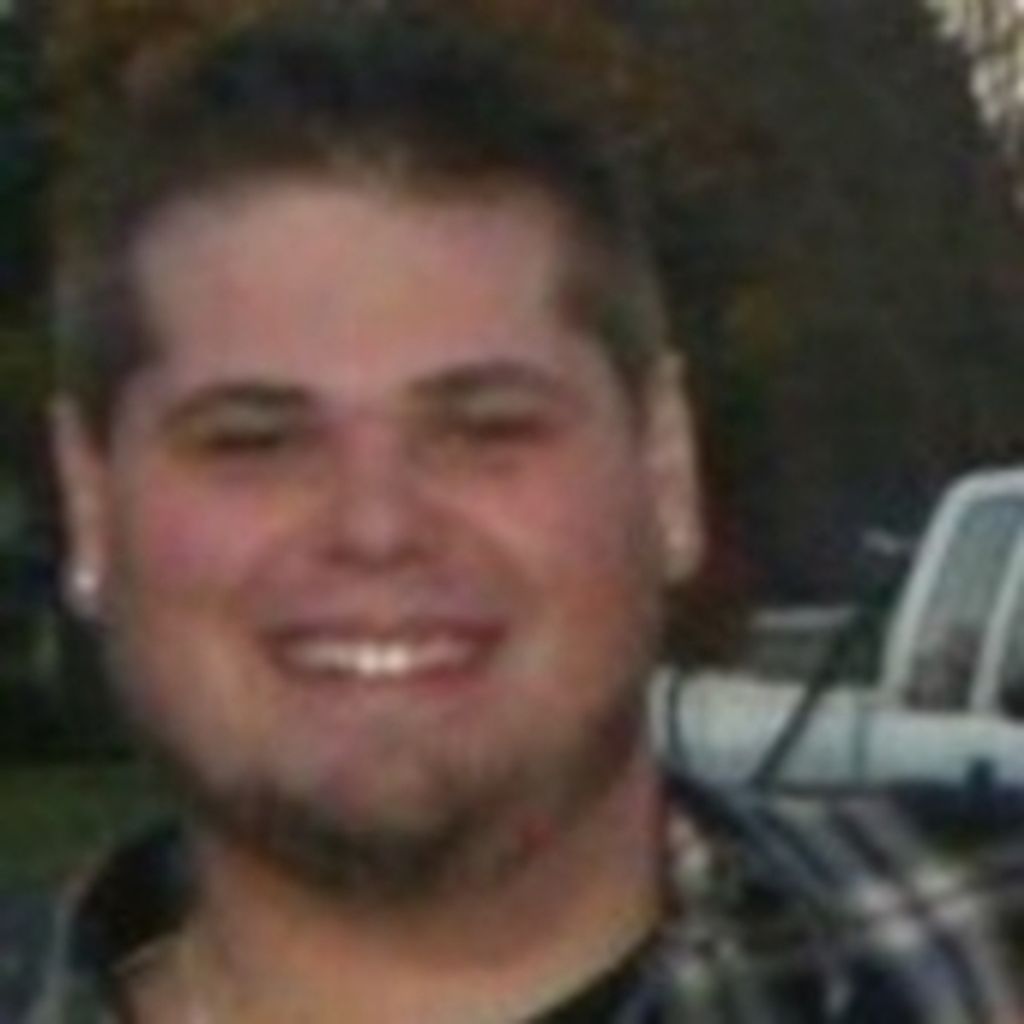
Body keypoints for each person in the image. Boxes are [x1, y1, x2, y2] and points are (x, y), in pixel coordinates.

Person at [14, 2, 1020, 1020]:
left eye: (485, 429)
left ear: (665, 470)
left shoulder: (976, 960)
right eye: (255, 441)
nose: (376, 525)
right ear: (91, 503)